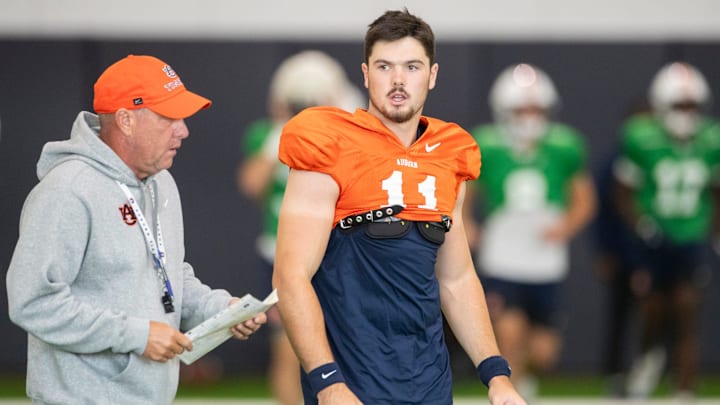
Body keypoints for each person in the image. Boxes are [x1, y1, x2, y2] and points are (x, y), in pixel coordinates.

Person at [272, 9, 526, 405]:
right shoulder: (329, 142)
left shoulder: (449, 153)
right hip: (351, 383)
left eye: (412, 66)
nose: (397, 80)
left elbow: (456, 279)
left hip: (429, 383)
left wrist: (496, 375)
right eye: (384, 66)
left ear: (433, 74)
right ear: (365, 73)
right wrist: (327, 381)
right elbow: (290, 275)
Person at [5, 54, 266, 404]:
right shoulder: (67, 190)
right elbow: (33, 301)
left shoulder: (162, 183)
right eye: (169, 117)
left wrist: (220, 310)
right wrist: (137, 335)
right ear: (126, 119)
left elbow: (168, 276)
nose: (184, 129)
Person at [462, 63, 597, 401]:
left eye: (536, 108)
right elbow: (464, 192)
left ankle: (524, 380)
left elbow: (583, 199)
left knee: (543, 352)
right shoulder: (488, 144)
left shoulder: (564, 145)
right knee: (509, 334)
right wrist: (467, 224)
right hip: (503, 255)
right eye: (522, 109)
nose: (530, 116)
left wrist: (565, 226)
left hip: (543, 259)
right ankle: (512, 392)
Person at [237, 50, 364, 405]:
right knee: (286, 348)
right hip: (280, 253)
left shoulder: (339, 133)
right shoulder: (268, 133)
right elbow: (251, 184)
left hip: (332, 252)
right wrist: (281, 133)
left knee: (341, 345)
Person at [614, 61, 720, 400]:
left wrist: (715, 230)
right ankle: (648, 361)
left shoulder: (711, 139)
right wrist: (640, 224)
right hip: (654, 238)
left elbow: (717, 192)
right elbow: (623, 191)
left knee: (687, 312)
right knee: (654, 311)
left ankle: (685, 388)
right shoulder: (641, 137)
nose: (686, 113)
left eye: (691, 106)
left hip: (691, 236)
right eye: (679, 105)